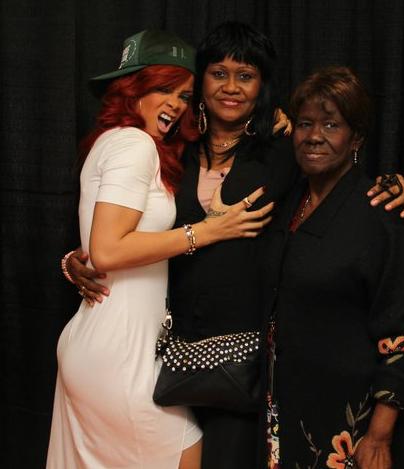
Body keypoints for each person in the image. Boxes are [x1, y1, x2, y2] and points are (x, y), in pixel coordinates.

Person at [65, 23, 404, 468]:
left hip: (244, 365)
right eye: (219, 74)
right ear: (201, 83)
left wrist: (390, 186)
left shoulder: (283, 149)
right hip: (163, 357)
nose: (231, 87)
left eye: (245, 76)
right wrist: (76, 260)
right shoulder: (172, 148)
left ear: (261, 85)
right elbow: (124, 224)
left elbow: (333, 181)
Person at [46, 29, 274, 469]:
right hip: (117, 350)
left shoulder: (117, 141)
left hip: (107, 342)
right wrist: (206, 232)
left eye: (184, 95)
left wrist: (75, 260)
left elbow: (99, 241)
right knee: (183, 456)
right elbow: (107, 250)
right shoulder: (134, 144)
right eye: (162, 89)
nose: (175, 104)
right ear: (132, 90)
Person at [261, 66, 404, 469]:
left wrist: (380, 436)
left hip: (347, 425)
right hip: (281, 413)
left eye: (331, 125)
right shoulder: (288, 200)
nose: (314, 136)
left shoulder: (379, 214)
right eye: (305, 124)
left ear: (356, 139)